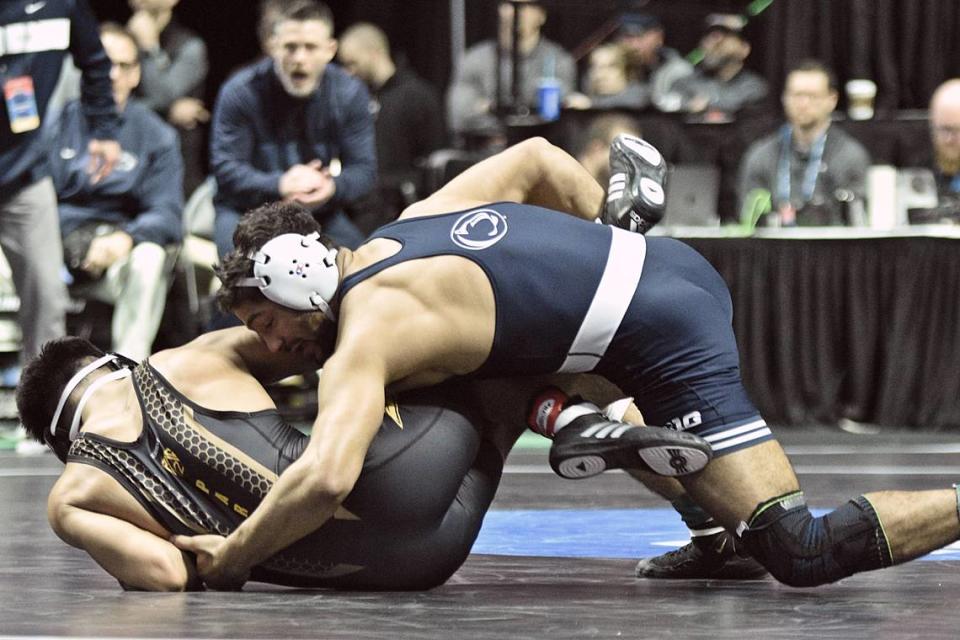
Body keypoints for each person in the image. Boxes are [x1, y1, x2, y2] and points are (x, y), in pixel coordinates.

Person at [195, 132, 960, 592]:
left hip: (663, 332)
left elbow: (326, 477)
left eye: (266, 323)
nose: (273, 347)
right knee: (493, 375)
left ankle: (589, 424)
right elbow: (535, 159)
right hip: (663, 267)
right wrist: (610, 226)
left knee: (800, 549)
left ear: (300, 282)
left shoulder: (364, 337)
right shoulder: (411, 224)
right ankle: (683, 509)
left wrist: (232, 560)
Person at [18, 320, 705, 590]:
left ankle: (557, 413)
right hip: (395, 474)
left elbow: (166, 576)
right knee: (513, 353)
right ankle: (594, 428)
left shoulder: (74, 494)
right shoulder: (183, 358)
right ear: (109, 360)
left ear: (57, 440)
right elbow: (324, 328)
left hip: (407, 563)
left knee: (504, 400)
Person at [49, 23, 183, 362]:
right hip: (51, 249)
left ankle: (128, 370)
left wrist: (125, 238)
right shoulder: (53, 125)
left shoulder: (156, 135)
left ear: (136, 75)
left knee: (150, 257)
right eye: (102, 64)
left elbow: (167, 214)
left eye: (123, 66)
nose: (111, 75)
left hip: (115, 254)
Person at [0, 0, 121, 370]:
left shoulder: (64, 5)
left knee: (48, 300)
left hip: (24, 177)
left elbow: (96, 61)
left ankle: (43, 416)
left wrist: (103, 129)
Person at [210, 0, 375, 257]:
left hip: (318, 212)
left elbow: (364, 170)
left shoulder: (349, 93)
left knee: (361, 271)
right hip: (246, 211)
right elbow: (225, 169)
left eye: (310, 47)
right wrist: (281, 183)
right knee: (240, 278)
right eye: (290, 47)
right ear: (272, 47)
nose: (299, 58)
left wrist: (331, 188)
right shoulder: (240, 92)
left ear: (330, 50)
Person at [337, 23, 446, 233]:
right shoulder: (354, 100)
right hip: (363, 210)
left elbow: (435, 157)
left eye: (353, 63)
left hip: (407, 211)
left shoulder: (419, 95)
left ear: (374, 53)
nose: (348, 72)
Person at [738, 60, 871, 227]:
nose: (803, 104)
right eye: (796, 95)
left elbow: (857, 221)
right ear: (784, 98)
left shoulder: (851, 155)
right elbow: (748, 219)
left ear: (832, 99)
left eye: (812, 96)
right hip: (775, 248)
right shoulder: (761, 155)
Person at [445, 0, 575, 139]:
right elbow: (459, 117)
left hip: (539, 149)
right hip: (488, 149)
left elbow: (557, 119)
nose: (514, 11)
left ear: (541, 15)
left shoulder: (559, 61)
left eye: (525, 6)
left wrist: (488, 108)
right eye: (507, 3)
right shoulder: (475, 58)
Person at [127, 0, 210, 198]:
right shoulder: (117, 41)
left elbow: (161, 94)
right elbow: (108, 103)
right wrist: (168, 111)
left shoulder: (190, 45)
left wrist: (150, 48)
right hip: (128, 159)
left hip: (177, 170)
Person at [671, 14, 768, 117]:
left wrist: (707, 106)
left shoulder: (754, 88)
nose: (712, 42)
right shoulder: (684, 84)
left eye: (724, 36)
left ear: (744, 49)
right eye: (709, 36)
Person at [614, 13, 693, 113]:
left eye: (638, 35)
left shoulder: (677, 70)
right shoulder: (608, 67)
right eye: (625, 36)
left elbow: (688, 103)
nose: (631, 44)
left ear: (659, 37)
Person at [566, 44, 647, 111]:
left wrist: (589, 106)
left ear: (627, 70)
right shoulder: (593, 97)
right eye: (594, 67)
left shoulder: (639, 96)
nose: (599, 75)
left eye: (610, 67)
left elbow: (625, 108)